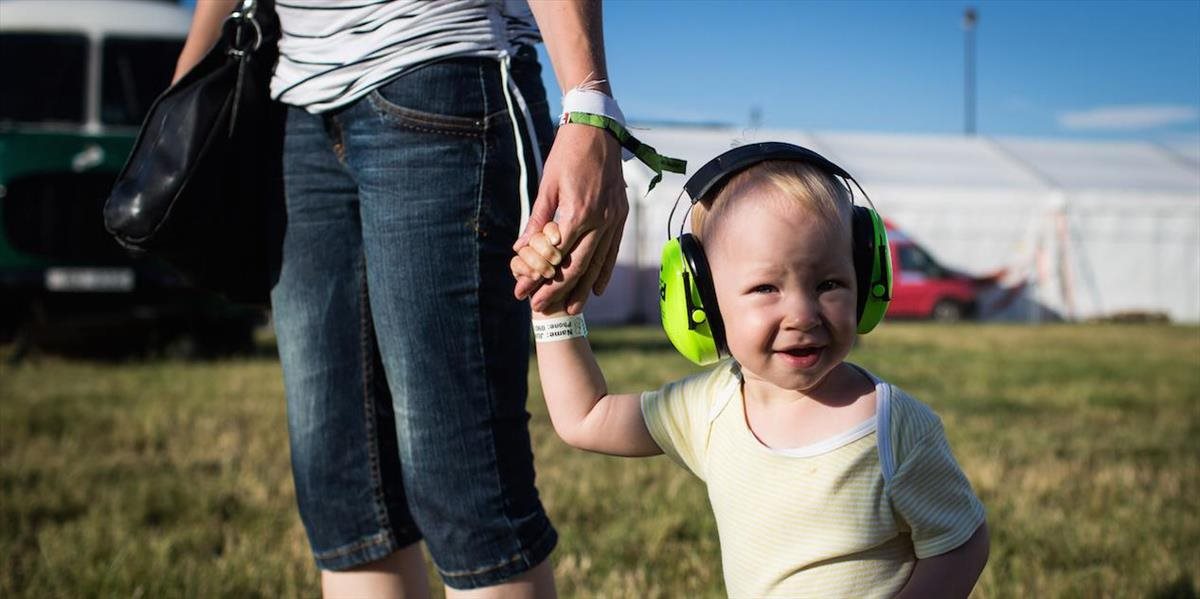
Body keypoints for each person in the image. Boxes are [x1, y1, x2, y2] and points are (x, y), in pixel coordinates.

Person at [172, 1, 626, 597]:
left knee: (466, 483)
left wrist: (588, 105)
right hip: (297, 102)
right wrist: (183, 98)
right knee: (346, 496)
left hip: (442, 71)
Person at [511, 145, 990, 597]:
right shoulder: (709, 409)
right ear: (702, 302)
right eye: (765, 288)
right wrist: (554, 315)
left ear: (865, 282)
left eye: (829, 283)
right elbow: (586, 418)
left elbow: (962, 541)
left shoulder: (895, 428)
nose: (803, 313)